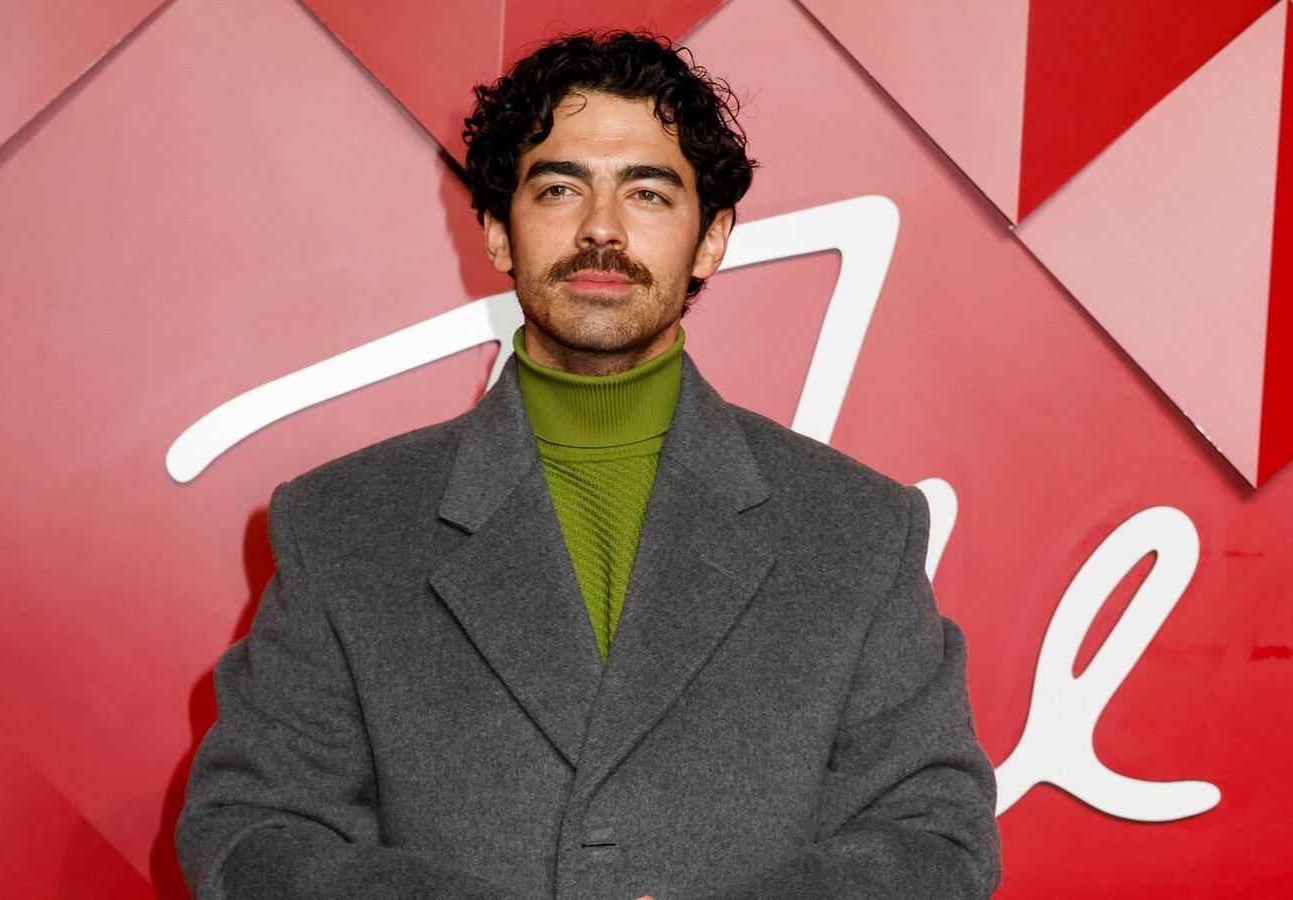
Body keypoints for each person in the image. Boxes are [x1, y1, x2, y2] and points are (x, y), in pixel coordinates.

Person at [176, 28, 1000, 900]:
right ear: (499, 231)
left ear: (711, 239)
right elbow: (252, 835)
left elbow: (936, 839)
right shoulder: (341, 527)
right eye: (560, 188)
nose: (601, 227)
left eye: (647, 192)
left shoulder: (859, 531)